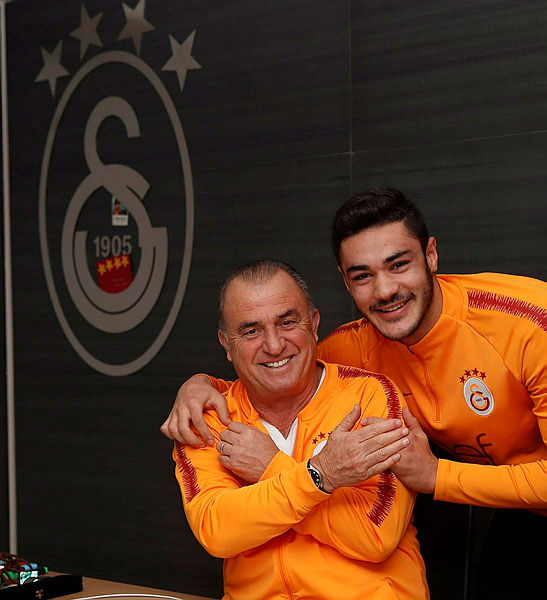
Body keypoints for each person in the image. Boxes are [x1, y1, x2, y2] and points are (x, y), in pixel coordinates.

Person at [163, 188, 546, 597]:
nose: (384, 290)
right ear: (346, 282)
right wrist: (199, 386)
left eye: (398, 264)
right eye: (363, 275)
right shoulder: (350, 348)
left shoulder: (530, 324)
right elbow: (279, 368)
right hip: (518, 511)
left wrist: (436, 475)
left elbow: (375, 535)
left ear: (431, 255)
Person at [172, 260, 429, 599]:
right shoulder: (210, 416)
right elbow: (217, 531)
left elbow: (375, 534)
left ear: (314, 325)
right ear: (226, 345)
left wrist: (273, 468)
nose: (274, 345)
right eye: (251, 331)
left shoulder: (368, 395)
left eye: (287, 322)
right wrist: (320, 477)